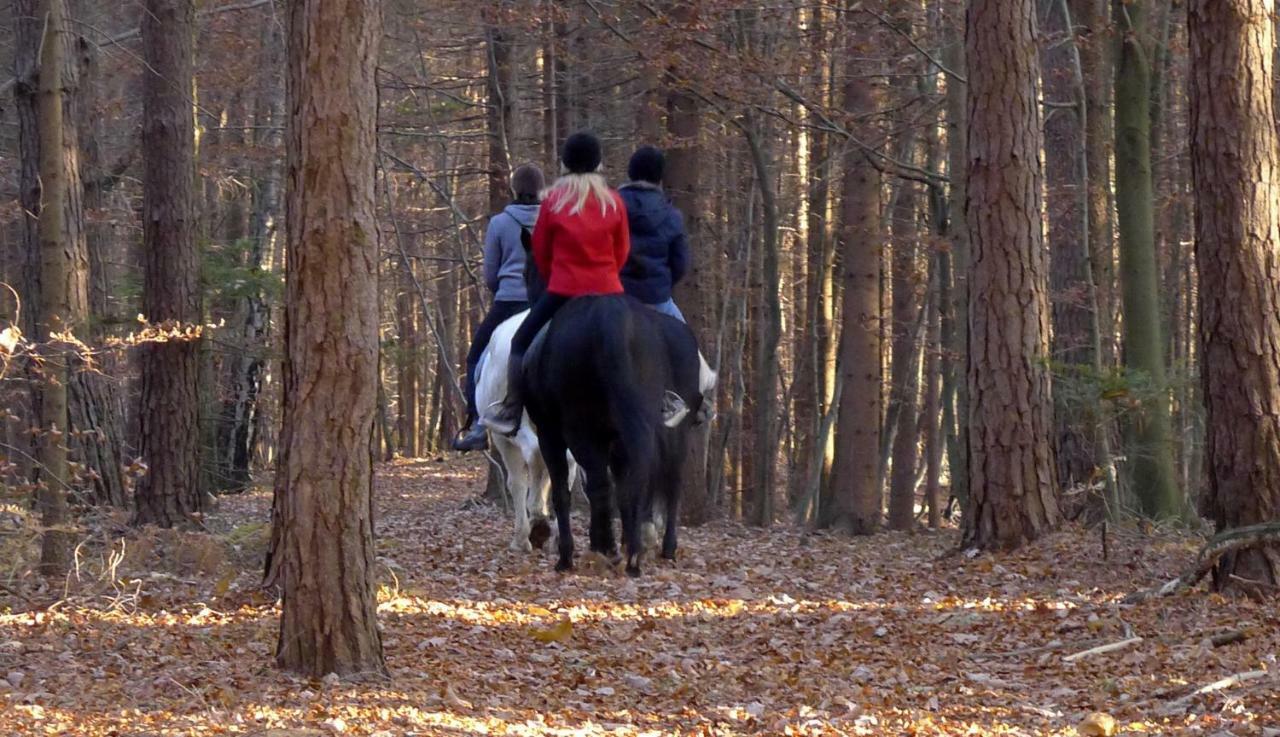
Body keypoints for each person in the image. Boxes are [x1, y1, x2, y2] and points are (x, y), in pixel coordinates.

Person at [486, 131, 631, 435]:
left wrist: (561, 274)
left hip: (564, 292)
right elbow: (622, 252)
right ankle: (661, 402)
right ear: (599, 163)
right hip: (609, 293)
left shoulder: (553, 201)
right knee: (645, 338)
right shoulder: (614, 202)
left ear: (564, 163)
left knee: (520, 341)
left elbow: (540, 251)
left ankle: (512, 409)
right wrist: (605, 276)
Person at [452, 163, 545, 451]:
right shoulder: (552, 220)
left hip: (509, 301)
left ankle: (478, 424)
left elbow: (491, 273)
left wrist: (502, 289)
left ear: (514, 189)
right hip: (546, 301)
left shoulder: (500, 223)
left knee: (475, 357)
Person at [617, 145, 690, 322]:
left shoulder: (609, 206)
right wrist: (660, 286)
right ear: (659, 177)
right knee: (691, 345)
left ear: (631, 172)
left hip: (614, 296)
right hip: (657, 299)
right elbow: (680, 264)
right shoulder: (672, 216)